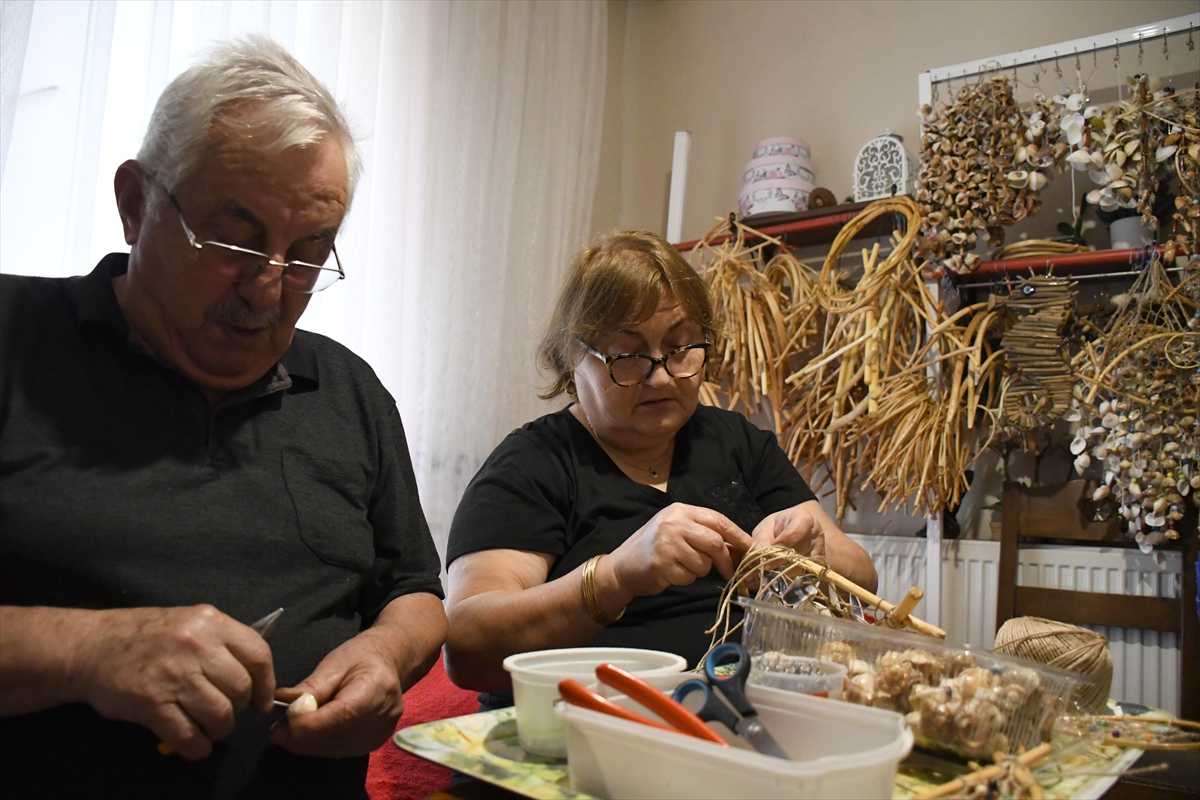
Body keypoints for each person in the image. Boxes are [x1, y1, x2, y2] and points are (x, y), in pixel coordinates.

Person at [0, 37, 446, 798]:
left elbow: (414, 592)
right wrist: (84, 652)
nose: (270, 288)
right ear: (137, 205)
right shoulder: (14, 338)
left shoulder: (350, 390)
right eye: (236, 240)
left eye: (309, 253)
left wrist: (384, 656)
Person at [443, 231, 877, 699]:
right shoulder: (534, 465)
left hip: (738, 710)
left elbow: (863, 576)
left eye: (680, 347)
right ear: (572, 359)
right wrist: (614, 577)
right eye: (627, 355)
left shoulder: (737, 443)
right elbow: (468, 646)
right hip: (588, 725)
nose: (662, 375)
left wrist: (811, 555)